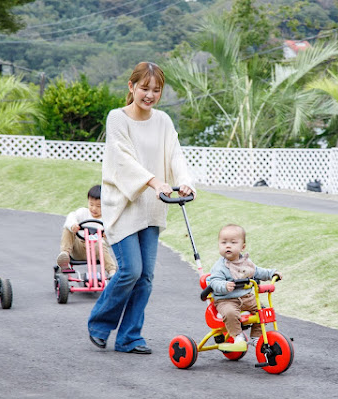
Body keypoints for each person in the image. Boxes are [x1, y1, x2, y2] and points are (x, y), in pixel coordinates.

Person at [87, 61, 195, 354]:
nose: (150, 95)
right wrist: (153, 181)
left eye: (156, 90)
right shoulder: (117, 119)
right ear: (131, 86)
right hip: (123, 206)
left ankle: (129, 337)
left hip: (153, 207)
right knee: (130, 270)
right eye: (144, 88)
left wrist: (183, 181)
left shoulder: (162, 121)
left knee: (146, 276)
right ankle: (99, 323)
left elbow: (175, 154)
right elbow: (123, 161)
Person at [209, 224, 282, 352]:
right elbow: (214, 282)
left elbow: (258, 271)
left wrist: (272, 274)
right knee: (230, 313)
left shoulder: (246, 263)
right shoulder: (219, 267)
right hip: (226, 300)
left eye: (233, 242)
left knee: (263, 310)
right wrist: (224, 286)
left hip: (247, 298)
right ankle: (238, 336)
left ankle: (256, 336)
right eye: (223, 242)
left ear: (242, 247)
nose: (228, 245)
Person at [56, 185, 117, 278]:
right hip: (78, 248)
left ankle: (112, 271)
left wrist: (106, 236)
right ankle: (65, 255)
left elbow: (110, 243)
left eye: (98, 206)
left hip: (96, 250)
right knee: (68, 228)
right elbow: (71, 217)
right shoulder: (82, 213)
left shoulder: (106, 220)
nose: (94, 208)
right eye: (91, 204)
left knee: (101, 244)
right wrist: (73, 225)